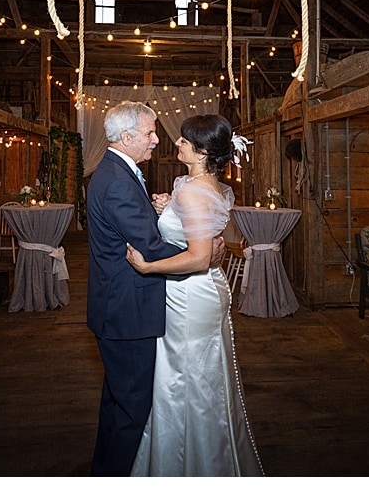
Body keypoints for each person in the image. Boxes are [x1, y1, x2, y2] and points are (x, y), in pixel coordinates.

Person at [85, 100, 223, 476]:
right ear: (127, 137)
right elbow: (148, 247)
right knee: (131, 410)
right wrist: (201, 255)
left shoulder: (118, 173)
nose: (155, 140)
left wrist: (168, 215)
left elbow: (137, 226)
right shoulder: (116, 182)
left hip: (120, 308)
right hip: (127, 313)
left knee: (117, 404)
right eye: (148, 133)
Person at [126, 113, 264, 476]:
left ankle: (188, 466)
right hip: (205, 289)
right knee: (201, 375)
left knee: (184, 379)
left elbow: (200, 256)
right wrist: (167, 208)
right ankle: (207, 458)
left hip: (189, 294)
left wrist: (148, 267)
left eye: (185, 141)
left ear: (202, 151)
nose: (177, 144)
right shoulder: (207, 185)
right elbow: (198, 229)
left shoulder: (191, 191)